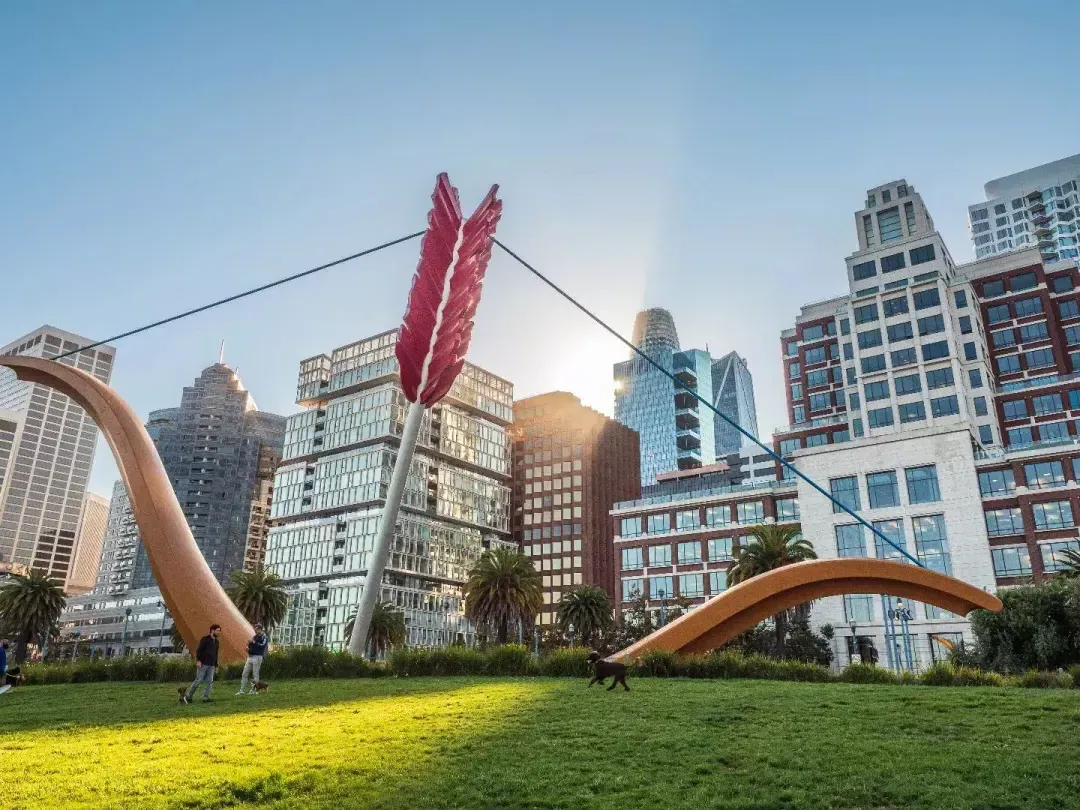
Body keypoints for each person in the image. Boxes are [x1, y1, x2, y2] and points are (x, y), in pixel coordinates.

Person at [181, 624, 221, 704]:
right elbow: (199, 650)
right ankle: (189, 696)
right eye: (218, 630)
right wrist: (198, 660)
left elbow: (215, 654)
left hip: (211, 665)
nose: (219, 632)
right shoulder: (205, 639)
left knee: (210, 681)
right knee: (198, 680)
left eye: (220, 631)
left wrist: (216, 665)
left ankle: (206, 697)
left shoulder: (216, 642)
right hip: (203, 664)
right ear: (212, 630)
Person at [237, 623, 269, 695]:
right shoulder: (255, 637)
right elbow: (250, 644)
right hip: (250, 656)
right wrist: (247, 647)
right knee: (244, 673)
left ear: (260, 629)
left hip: (257, 657)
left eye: (257, 629)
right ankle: (242, 690)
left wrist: (254, 642)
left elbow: (262, 646)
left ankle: (254, 690)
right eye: (255, 629)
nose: (255, 630)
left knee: (255, 674)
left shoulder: (264, 637)